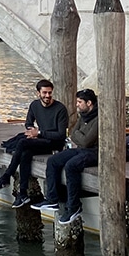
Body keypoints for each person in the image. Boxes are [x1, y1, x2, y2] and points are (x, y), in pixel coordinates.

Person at [0, 79, 68, 208]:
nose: (47, 96)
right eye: (44, 93)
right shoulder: (34, 105)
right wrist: (31, 130)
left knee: (22, 143)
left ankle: (6, 177)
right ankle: (23, 193)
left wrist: (39, 133)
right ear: (38, 93)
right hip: (39, 140)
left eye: (50, 93)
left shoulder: (60, 109)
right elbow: (28, 122)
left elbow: (61, 135)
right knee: (25, 153)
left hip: (54, 143)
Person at [31, 89, 99, 225]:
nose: (77, 105)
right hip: (81, 149)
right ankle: (52, 199)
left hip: (95, 152)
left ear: (89, 103)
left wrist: (80, 137)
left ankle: (74, 206)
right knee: (53, 161)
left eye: (80, 102)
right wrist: (80, 136)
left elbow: (86, 141)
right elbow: (73, 134)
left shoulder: (99, 119)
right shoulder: (83, 116)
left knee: (71, 166)